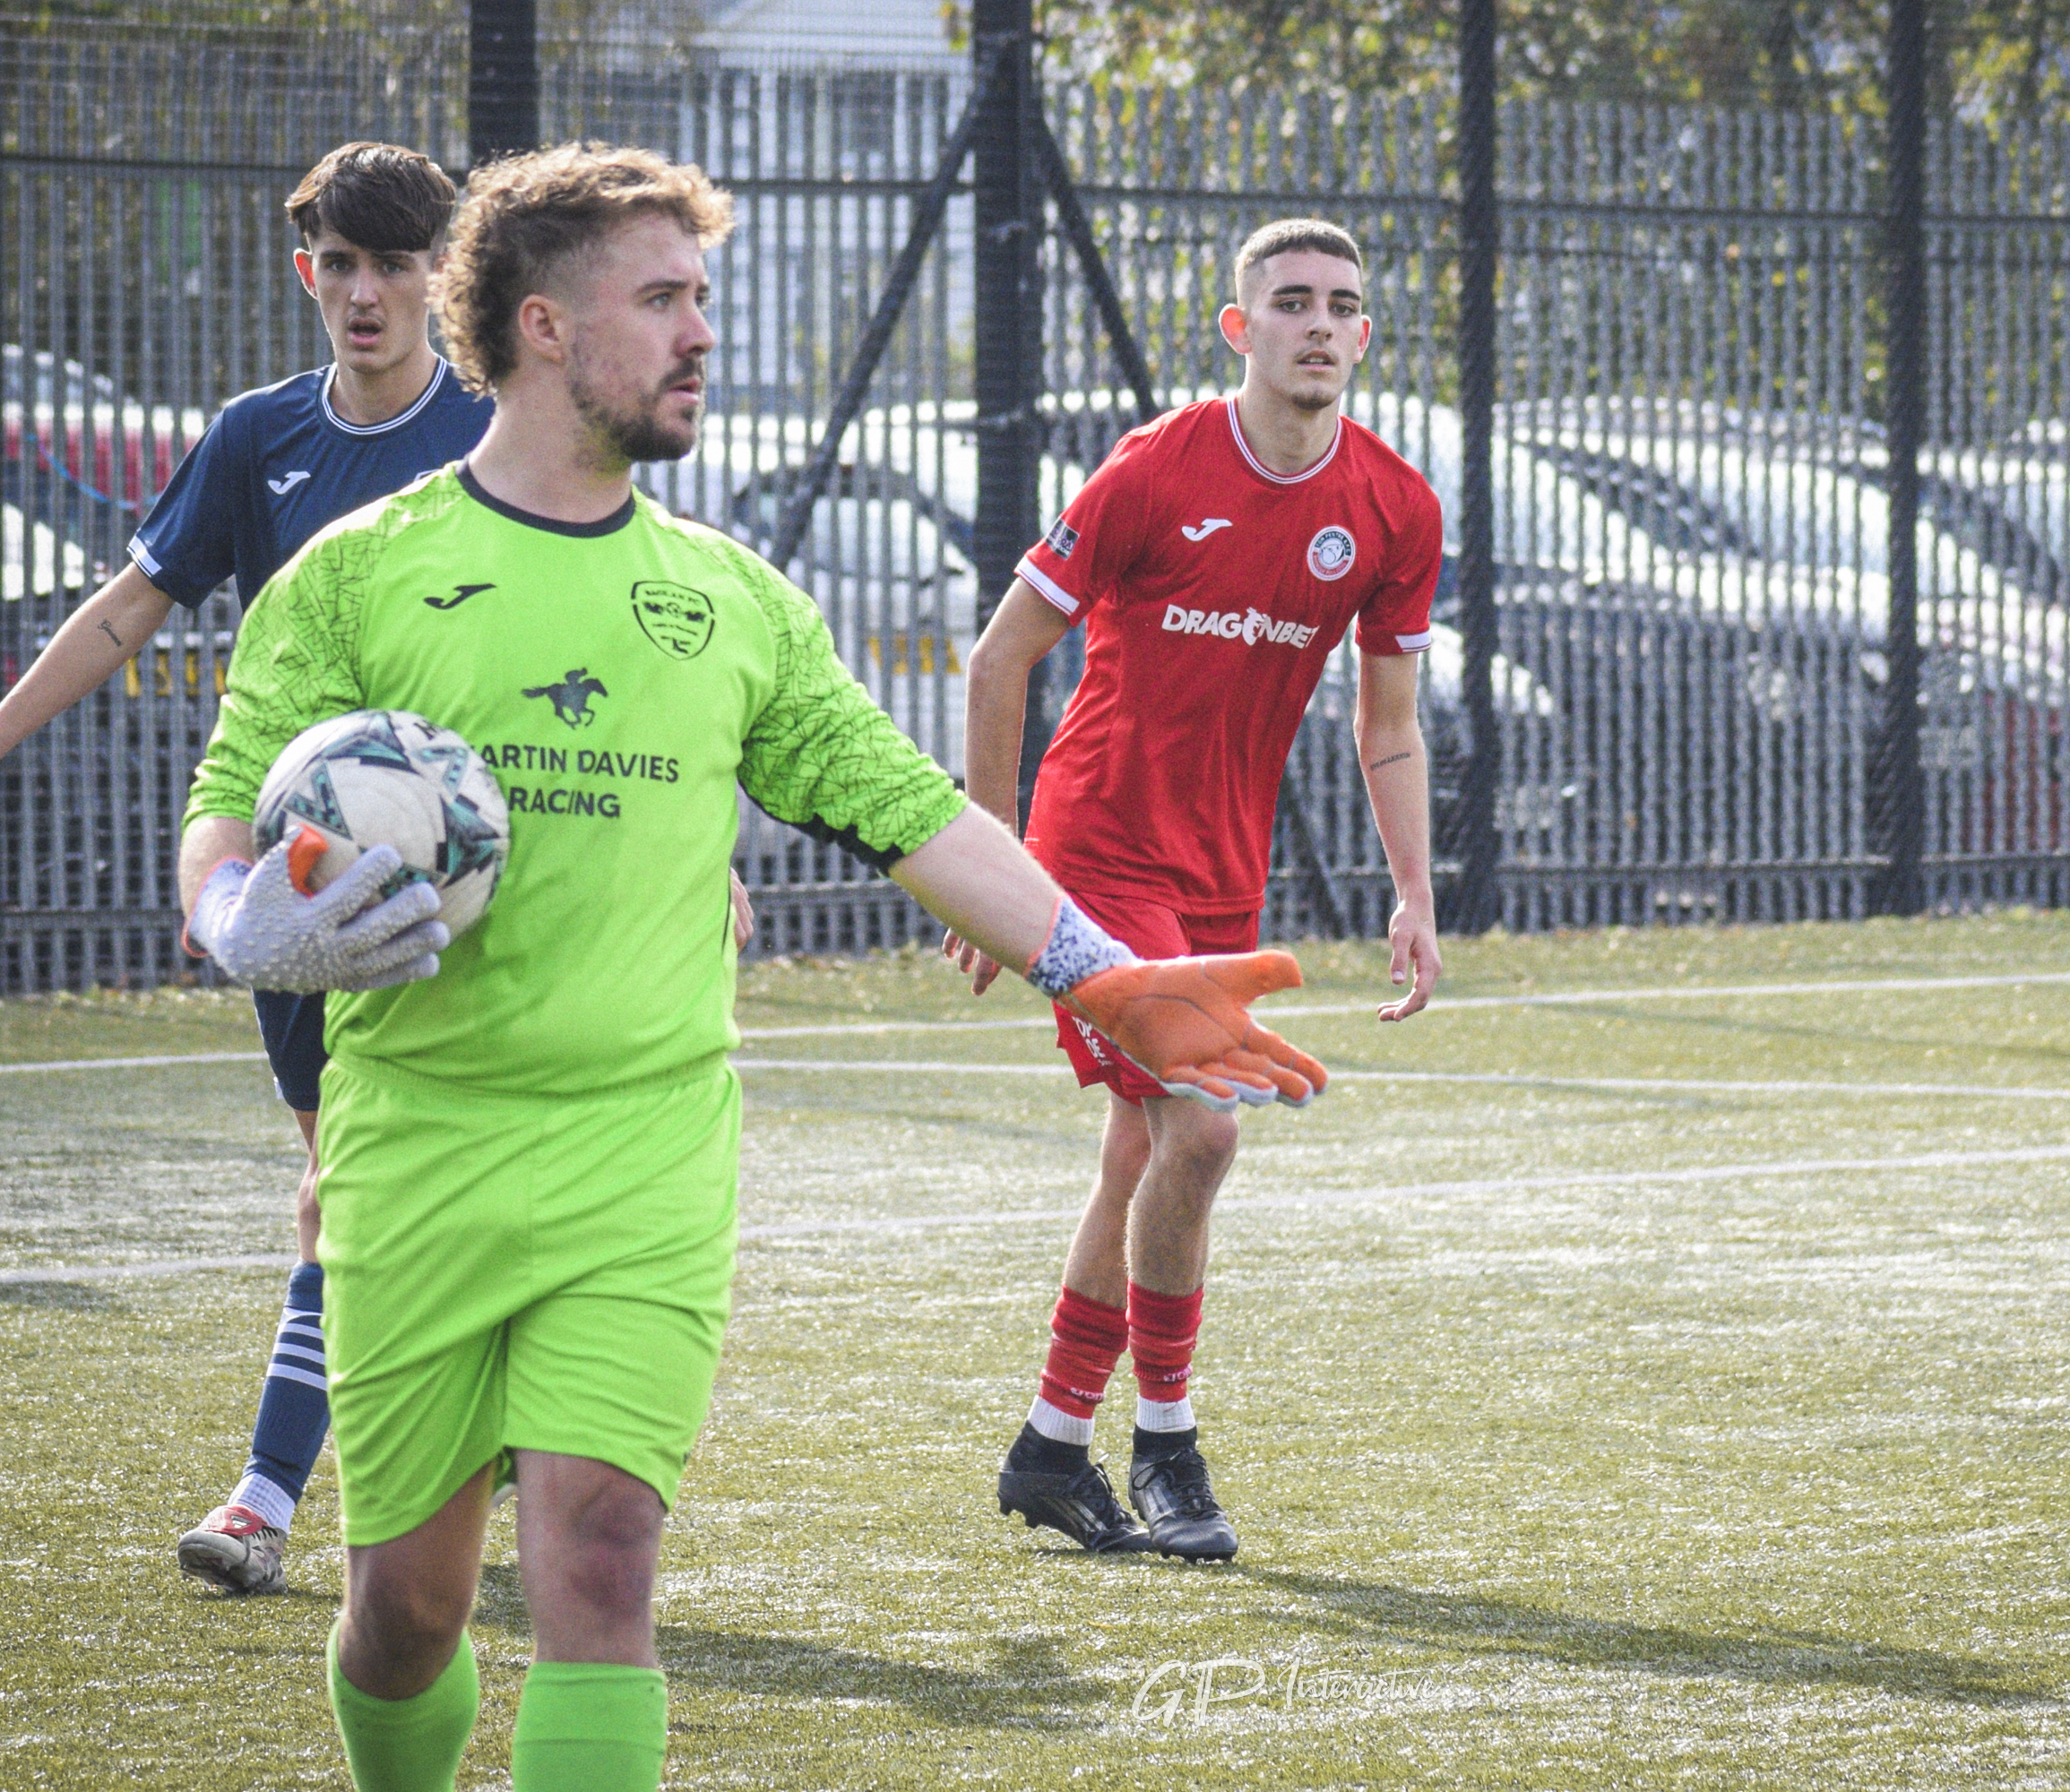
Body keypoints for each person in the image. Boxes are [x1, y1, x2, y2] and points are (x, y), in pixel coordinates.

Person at [177, 141, 1324, 1790]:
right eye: (664, 299)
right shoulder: (354, 578)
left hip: (646, 1147)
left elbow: (911, 809)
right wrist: (242, 925)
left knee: (597, 1559)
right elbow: (223, 819)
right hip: (416, 1141)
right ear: (547, 326)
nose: (703, 332)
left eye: (701, 295)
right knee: (407, 1616)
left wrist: (1101, 970)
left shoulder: (730, 603)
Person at [0, 142, 557, 1597]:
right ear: (308, 274)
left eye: (397, 264)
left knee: (395, 1187)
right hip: (301, 881)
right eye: (340, 263)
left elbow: (578, 637)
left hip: (476, 881)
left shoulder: (499, 433)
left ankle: (267, 1500)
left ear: (441, 279)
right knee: (343, 1184)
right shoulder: (257, 437)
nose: (366, 291)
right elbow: (127, 607)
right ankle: (462, 1429)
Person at [950, 218, 1444, 1562]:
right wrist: (991, 871)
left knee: (1143, 1151)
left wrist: (1414, 891)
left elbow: (1387, 721)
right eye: (1292, 303)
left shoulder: (1395, 506)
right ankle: (1167, 1443)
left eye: (1344, 306)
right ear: (1242, 330)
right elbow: (1002, 661)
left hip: (1223, 877)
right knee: (1205, 1134)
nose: (1321, 326)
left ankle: (1053, 1447)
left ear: (1363, 334)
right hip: (1096, 854)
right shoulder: (1155, 471)